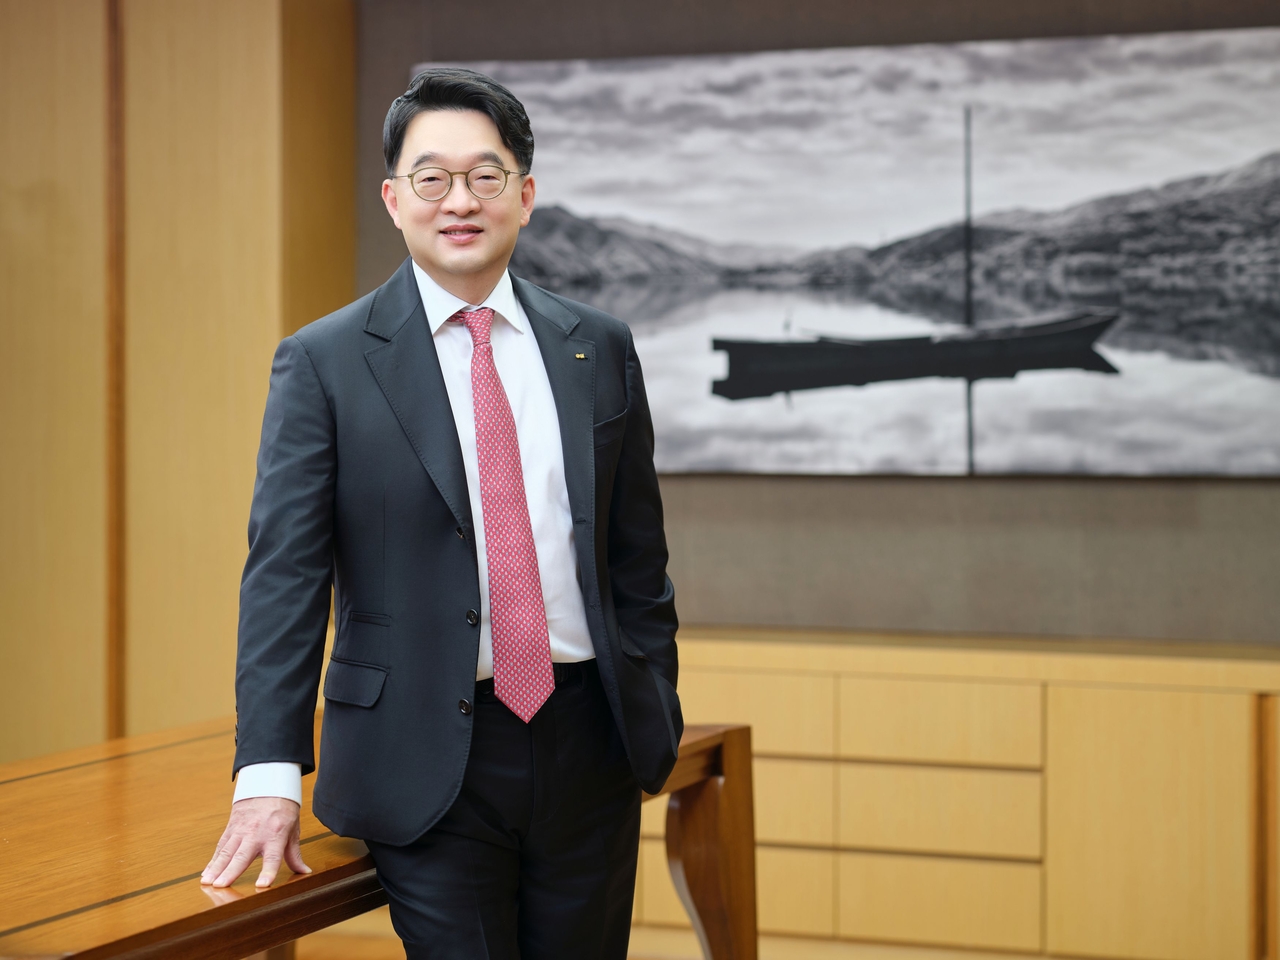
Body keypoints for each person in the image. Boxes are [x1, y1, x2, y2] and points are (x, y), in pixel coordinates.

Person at [200, 67, 682, 959]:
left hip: (589, 744)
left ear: (525, 195)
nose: (460, 200)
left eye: (486, 176)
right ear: (394, 200)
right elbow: (284, 580)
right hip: (422, 751)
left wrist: (654, 698)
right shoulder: (324, 362)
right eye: (432, 178)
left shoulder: (598, 346)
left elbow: (636, 558)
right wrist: (268, 774)